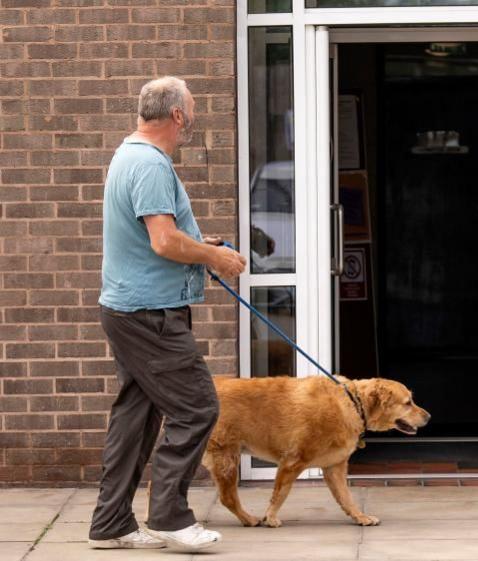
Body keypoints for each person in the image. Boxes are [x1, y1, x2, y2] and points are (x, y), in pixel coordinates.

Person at [88, 76, 246, 552]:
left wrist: (202, 245)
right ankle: (170, 517)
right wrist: (213, 258)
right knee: (197, 406)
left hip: (127, 309)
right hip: (149, 315)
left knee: (135, 417)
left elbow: (157, 236)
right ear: (177, 115)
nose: (192, 121)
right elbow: (163, 240)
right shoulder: (152, 165)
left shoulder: (128, 155)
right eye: (191, 113)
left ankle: (111, 522)